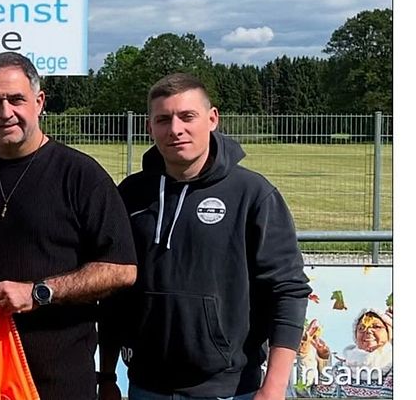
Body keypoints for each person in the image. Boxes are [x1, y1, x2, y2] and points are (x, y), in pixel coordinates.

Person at [0, 52, 138, 400]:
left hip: (59, 377)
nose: (5, 112)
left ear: (39, 102)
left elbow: (121, 269)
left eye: (16, 99)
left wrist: (39, 292)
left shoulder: (81, 176)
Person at [98, 73, 311, 400]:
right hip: (146, 386)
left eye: (187, 116)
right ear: (149, 127)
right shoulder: (131, 194)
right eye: (163, 119)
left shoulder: (252, 194)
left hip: (230, 389)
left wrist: (274, 387)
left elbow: (288, 290)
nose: (176, 129)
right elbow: (114, 290)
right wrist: (107, 375)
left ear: (212, 119)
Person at [295, 309, 393, 397]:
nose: (368, 331)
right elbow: (313, 394)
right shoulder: (340, 370)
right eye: (361, 328)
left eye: (376, 326)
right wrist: (307, 353)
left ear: (389, 333)